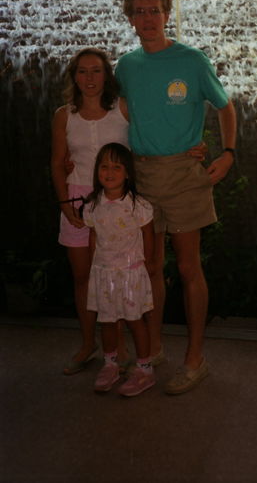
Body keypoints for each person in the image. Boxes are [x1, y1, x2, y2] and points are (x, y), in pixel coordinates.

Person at [116, 0, 237, 395]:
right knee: (150, 268)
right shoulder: (126, 66)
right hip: (144, 175)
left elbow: (224, 106)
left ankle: (195, 358)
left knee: (188, 268)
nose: (148, 19)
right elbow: (128, 114)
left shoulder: (192, 60)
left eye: (155, 10)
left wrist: (227, 153)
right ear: (130, 18)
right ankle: (153, 350)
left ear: (167, 14)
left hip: (185, 179)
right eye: (140, 12)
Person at [51, 48, 130, 375]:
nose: (89, 78)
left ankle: (120, 348)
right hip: (77, 201)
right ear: (74, 77)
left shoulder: (123, 110)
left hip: (115, 201)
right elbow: (57, 163)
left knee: (116, 277)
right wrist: (65, 204)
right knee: (83, 277)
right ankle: (88, 344)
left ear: (106, 75)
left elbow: (139, 153)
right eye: (82, 72)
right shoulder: (63, 115)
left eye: (96, 71)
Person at [82, 143, 155, 396]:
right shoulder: (92, 205)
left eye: (116, 167)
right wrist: (94, 263)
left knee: (135, 320)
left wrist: (151, 262)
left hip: (130, 272)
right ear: (97, 171)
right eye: (104, 166)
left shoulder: (137, 205)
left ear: (127, 173)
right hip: (104, 272)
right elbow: (93, 236)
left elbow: (147, 232)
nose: (109, 172)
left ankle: (145, 368)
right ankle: (111, 364)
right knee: (108, 322)